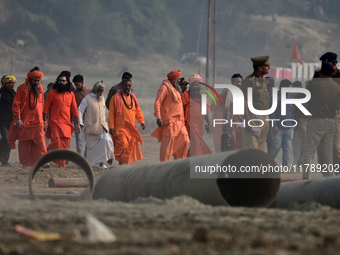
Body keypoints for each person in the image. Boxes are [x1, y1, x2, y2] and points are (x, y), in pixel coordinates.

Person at [302, 62, 340, 179]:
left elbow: (305, 103)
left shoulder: (313, 85)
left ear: (320, 72)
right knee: (327, 153)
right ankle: (329, 178)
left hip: (315, 121)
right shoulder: (337, 87)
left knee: (308, 151)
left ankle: (306, 178)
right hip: (330, 122)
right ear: (332, 74)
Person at [9, 67, 47, 168]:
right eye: (35, 80)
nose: (36, 82)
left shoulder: (41, 88)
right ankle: (25, 163)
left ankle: (43, 161)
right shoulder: (21, 88)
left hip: (38, 121)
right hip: (25, 121)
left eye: (38, 80)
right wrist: (18, 118)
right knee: (25, 143)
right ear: (30, 80)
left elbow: (42, 104)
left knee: (40, 142)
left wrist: (44, 119)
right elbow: (16, 104)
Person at [44, 72, 80, 168]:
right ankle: (45, 158)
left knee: (65, 145)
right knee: (55, 142)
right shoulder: (52, 93)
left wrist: (78, 124)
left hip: (67, 123)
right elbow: (45, 109)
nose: (61, 82)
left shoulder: (71, 94)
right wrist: (45, 122)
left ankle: (61, 164)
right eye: (59, 80)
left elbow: (75, 110)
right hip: (54, 122)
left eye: (63, 81)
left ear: (67, 82)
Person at [151, 70, 190, 161]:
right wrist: (158, 117)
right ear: (173, 80)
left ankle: (178, 161)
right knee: (167, 147)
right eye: (178, 80)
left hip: (180, 122)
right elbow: (157, 102)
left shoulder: (175, 89)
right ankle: (165, 166)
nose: (179, 82)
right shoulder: (164, 87)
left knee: (185, 140)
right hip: (170, 122)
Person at [109, 79, 145, 165]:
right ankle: (113, 157)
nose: (127, 87)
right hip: (120, 127)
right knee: (123, 144)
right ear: (122, 86)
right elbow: (111, 114)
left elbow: (138, 111)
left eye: (129, 86)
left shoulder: (133, 98)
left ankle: (123, 165)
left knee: (130, 147)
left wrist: (142, 121)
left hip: (131, 128)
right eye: (125, 85)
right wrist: (111, 127)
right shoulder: (115, 98)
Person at [78, 81, 114, 169]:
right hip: (91, 127)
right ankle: (93, 165)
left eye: (102, 90)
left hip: (102, 127)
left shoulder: (103, 99)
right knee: (92, 148)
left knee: (107, 141)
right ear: (95, 89)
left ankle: (108, 158)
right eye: (99, 90)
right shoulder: (87, 98)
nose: (101, 92)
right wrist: (80, 122)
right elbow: (80, 110)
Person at [240, 56, 271, 151]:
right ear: (260, 68)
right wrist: (247, 119)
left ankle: (258, 166)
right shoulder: (249, 81)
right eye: (267, 66)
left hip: (264, 117)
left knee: (261, 149)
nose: (269, 67)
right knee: (252, 148)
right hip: (253, 116)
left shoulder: (263, 81)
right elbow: (243, 100)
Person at [182, 74, 211, 157]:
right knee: (196, 142)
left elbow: (206, 112)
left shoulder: (203, 96)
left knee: (195, 145)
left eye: (197, 85)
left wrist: (209, 124)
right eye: (194, 85)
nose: (196, 87)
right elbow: (181, 109)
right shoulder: (186, 95)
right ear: (190, 85)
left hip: (199, 125)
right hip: (189, 124)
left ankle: (188, 160)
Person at [268, 79, 294, 166]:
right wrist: (274, 125)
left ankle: (285, 167)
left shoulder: (289, 97)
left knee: (287, 148)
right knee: (276, 146)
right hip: (278, 128)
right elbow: (271, 112)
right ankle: (267, 163)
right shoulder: (274, 97)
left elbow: (291, 111)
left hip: (289, 128)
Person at [222, 73, 244, 150]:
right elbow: (226, 108)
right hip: (232, 121)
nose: (238, 84)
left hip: (242, 121)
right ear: (232, 83)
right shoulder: (230, 92)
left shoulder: (243, 92)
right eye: (236, 82)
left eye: (239, 82)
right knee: (233, 144)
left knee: (241, 143)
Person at [72, 74, 91, 156]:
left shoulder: (89, 92)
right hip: (77, 120)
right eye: (75, 85)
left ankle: (86, 157)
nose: (76, 86)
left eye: (78, 84)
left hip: (88, 119)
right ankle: (81, 159)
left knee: (89, 140)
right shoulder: (73, 93)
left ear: (82, 83)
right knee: (79, 140)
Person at [0, 75, 16, 166]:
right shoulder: (1, 93)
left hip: (12, 121)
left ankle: (5, 160)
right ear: (4, 83)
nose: (12, 84)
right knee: (5, 138)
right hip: (2, 121)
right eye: (10, 82)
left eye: (13, 83)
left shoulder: (15, 94)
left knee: (10, 140)